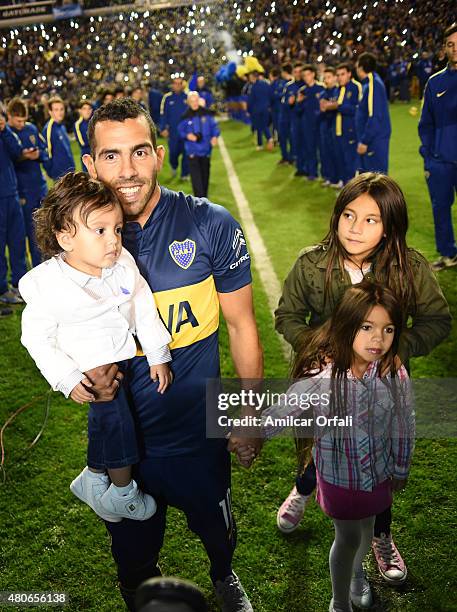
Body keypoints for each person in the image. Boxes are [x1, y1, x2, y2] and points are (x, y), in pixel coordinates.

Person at [81, 99, 263, 611]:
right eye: (111, 157)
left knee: (216, 530)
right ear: (90, 165)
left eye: (138, 152)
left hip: (197, 429)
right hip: (124, 444)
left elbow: (242, 323)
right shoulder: (74, 247)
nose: (128, 170)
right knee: (134, 559)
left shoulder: (210, 223)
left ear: (159, 155)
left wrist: (250, 413)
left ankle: (225, 576)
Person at [274, 173, 451, 585]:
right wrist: (321, 349)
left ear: (390, 225)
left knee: (379, 459)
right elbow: (287, 316)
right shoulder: (311, 263)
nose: (355, 227)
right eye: (348, 215)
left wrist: (394, 351)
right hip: (329, 385)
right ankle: (304, 487)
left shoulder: (411, 267)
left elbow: (437, 320)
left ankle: (382, 535)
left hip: (381, 391)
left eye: (371, 220)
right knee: (327, 444)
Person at [19, 172, 173, 523]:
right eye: (100, 231)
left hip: (125, 362)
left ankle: (92, 476)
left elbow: (142, 304)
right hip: (94, 376)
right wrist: (68, 377)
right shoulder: (48, 286)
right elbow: (36, 338)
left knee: (113, 424)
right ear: (64, 237)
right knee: (117, 425)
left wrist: (157, 353)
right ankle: (121, 491)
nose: (114, 241)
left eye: (117, 229)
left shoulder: (121, 265)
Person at [265, 281, 415, 612]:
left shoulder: (393, 372)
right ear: (347, 325)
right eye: (367, 327)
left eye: (388, 329)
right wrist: (251, 433)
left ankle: (356, 572)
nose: (378, 339)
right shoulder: (322, 373)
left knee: (365, 532)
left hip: (378, 476)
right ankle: (339, 602)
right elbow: (285, 408)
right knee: (347, 538)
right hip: (340, 478)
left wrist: (400, 467)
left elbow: (405, 423)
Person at [418, 23, 457, 272]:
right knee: (440, 209)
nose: (455, 49)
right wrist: (430, 157)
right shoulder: (435, 82)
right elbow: (426, 124)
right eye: (451, 45)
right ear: (444, 49)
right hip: (440, 162)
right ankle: (448, 254)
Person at [7, 97, 48, 268]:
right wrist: (23, 156)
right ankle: (27, 274)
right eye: (18, 121)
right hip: (21, 192)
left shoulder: (31, 129)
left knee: (44, 232)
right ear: (9, 116)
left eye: (24, 120)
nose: (21, 124)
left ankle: (45, 267)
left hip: (39, 187)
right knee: (24, 235)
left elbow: (44, 149)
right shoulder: (6, 134)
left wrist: (38, 155)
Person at [0, 106, 28, 305]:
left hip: (11, 193)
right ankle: (2, 288)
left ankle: (19, 283)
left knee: (18, 241)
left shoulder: (5, 133)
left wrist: (4, 130)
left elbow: (17, 152)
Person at [321, 63, 362, 187]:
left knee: (351, 161)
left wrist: (337, 106)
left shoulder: (355, 87)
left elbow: (356, 109)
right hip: (337, 129)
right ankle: (344, 184)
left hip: (350, 130)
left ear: (349, 74)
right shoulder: (338, 89)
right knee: (340, 158)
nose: (340, 77)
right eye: (338, 75)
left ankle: (352, 188)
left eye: (342, 74)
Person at [178, 92, 220, 198]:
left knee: (205, 178)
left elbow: (214, 126)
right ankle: (200, 202)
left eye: (196, 100)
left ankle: (204, 200)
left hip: (206, 151)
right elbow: (180, 131)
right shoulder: (185, 116)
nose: (195, 103)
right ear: (188, 102)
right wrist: (187, 135)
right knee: (197, 182)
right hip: (193, 153)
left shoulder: (206, 114)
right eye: (192, 101)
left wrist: (215, 136)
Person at [355, 53, 391, 174]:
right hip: (372, 138)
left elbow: (375, 115)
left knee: (376, 179)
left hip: (374, 140)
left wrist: (365, 141)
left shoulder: (373, 84)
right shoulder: (369, 83)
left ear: (361, 68)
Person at [295, 65, 325, 180]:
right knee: (309, 149)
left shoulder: (321, 88)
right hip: (307, 124)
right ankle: (312, 173)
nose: (306, 77)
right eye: (304, 76)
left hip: (320, 123)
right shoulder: (302, 91)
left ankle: (326, 174)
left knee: (323, 150)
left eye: (308, 74)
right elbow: (298, 111)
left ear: (313, 74)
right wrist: (299, 102)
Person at [159, 77, 189, 180]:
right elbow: (163, 114)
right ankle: (174, 166)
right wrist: (163, 128)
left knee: (186, 153)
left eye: (179, 83)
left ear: (182, 85)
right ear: (172, 85)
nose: (177, 85)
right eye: (175, 83)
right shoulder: (167, 98)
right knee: (174, 152)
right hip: (173, 132)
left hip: (186, 132)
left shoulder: (187, 97)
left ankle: (184, 174)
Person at [42, 96, 75, 181]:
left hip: (70, 172)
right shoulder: (48, 129)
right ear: (50, 112)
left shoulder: (62, 126)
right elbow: (46, 154)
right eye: (56, 110)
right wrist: (52, 172)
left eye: (61, 109)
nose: (60, 112)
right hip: (59, 176)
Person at [318, 66, 339, 187]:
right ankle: (329, 177)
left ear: (335, 78)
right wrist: (333, 105)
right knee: (325, 152)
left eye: (329, 77)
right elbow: (323, 107)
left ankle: (338, 178)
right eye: (325, 77)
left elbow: (335, 105)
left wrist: (331, 105)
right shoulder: (323, 93)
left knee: (336, 153)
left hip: (336, 125)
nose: (326, 80)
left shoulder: (339, 91)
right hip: (325, 125)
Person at [247, 71, 273, 151]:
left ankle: (266, 139)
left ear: (253, 77)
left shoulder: (253, 87)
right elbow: (270, 95)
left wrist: (249, 110)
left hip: (256, 110)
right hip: (266, 109)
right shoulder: (266, 84)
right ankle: (262, 143)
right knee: (264, 125)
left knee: (259, 126)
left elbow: (251, 100)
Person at [277, 63, 294, 165]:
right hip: (284, 114)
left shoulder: (291, 84)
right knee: (283, 137)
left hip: (289, 115)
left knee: (290, 138)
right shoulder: (286, 84)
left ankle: (291, 157)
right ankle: (286, 157)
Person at [74, 100, 93, 172]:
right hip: (87, 155)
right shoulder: (78, 124)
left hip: (97, 154)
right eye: (84, 109)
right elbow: (82, 143)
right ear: (80, 111)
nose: (87, 111)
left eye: (89, 109)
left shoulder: (94, 122)